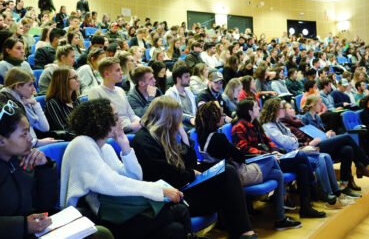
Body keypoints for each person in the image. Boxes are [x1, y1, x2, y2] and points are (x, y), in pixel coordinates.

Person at [61, 98, 193, 239]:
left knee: (175, 229)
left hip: (118, 210)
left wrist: (125, 147)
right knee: (176, 212)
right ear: (101, 122)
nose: (121, 121)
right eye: (116, 117)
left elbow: (133, 178)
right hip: (98, 219)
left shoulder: (105, 147)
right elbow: (112, 183)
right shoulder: (81, 144)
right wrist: (159, 190)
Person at [131, 96, 258, 239]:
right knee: (226, 186)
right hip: (169, 199)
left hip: (182, 188)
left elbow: (190, 163)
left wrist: (184, 137)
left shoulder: (167, 135)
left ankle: (243, 232)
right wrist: (191, 174)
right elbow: (165, 174)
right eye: (176, 119)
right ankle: (243, 233)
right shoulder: (143, 141)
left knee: (227, 172)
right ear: (167, 119)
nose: (178, 123)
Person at [196, 101, 302, 230]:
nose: (224, 116)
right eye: (221, 114)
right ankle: (282, 212)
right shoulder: (219, 138)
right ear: (215, 117)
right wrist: (239, 151)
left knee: (278, 173)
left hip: (226, 177)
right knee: (271, 159)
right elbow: (240, 157)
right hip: (237, 176)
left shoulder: (202, 137)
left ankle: (281, 217)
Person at [232, 98, 327, 217]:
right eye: (256, 107)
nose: (259, 108)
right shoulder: (239, 127)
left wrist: (276, 151)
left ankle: (306, 207)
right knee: (301, 156)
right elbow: (245, 150)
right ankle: (314, 187)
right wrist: (268, 154)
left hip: (269, 158)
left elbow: (268, 142)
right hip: (258, 163)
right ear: (250, 111)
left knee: (302, 166)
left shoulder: (255, 124)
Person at [281, 100, 369, 198]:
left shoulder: (298, 121)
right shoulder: (288, 125)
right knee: (347, 138)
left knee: (347, 149)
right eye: (290, 108)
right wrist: (310, 142)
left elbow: (313, 133)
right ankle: (368, 164)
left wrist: (326, 134)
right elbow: (297, 143)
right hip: (310, 147)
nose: (293, 109)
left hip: (319, 141)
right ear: (284, 112)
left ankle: (344, 184)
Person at [0, 100, 58, 239]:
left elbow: (46, 205)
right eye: (24, 134)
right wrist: (23, 226)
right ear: (1, 140)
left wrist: (44, 167)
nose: (31, 139)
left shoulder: (22, 160)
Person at [1, 67, 56, 147]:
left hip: (30, 145)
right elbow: (13, 137)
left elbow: (45, 128)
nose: (34, 89)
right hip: (20, 149)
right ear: (17, 86)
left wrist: (35, 104)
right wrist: (37, 142)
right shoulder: (6, 103)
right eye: (30, 85)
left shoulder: (24, 97)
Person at [88, 57, 141, 133]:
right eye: (118, 70)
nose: (122, 72)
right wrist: (129, 127)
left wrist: (142, 122)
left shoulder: (120, 90)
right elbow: (101, 121)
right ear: (106, 74)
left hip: (131, 128)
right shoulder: (95, 91)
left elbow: (131, 114)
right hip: (117, 132)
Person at [44, 67, 80, 140]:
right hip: (69, 142)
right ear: (64, 81)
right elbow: (64, 130)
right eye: (74, 78)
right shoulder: (53, 103)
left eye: (77, 77)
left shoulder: (76, 101)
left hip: (81, 137)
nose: (78, 80)